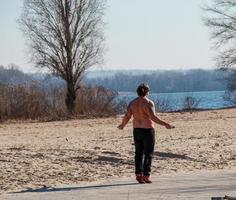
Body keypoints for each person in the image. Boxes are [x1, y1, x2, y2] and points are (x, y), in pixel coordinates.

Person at [117, 83, 174, 184]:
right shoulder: (148, 103)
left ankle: (138, 174)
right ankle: (146, 175)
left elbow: (127, 116)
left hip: (137, 130)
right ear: (147, 92)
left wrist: (122, 125)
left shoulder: (132, 103)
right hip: (147, 130)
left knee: (138, 154)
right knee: (148, 154)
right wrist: (166, 124)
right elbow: (153, 117)